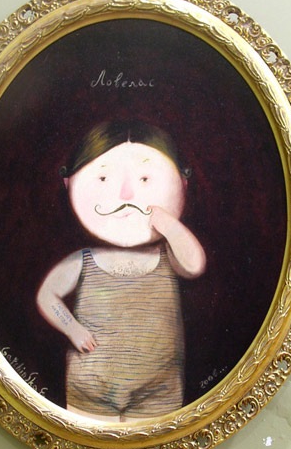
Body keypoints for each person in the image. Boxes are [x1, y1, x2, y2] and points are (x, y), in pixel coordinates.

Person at [37, 120, 206, 422]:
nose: (126, 194)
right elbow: (47, 296)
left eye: (145, 179)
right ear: (68, 184)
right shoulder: (84, 260)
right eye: (103, 178)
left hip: (159, 391)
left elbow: (194, 265)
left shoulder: (169, 256)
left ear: (182, 183)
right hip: (89, 390)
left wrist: (169, 225)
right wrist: (72, 328)